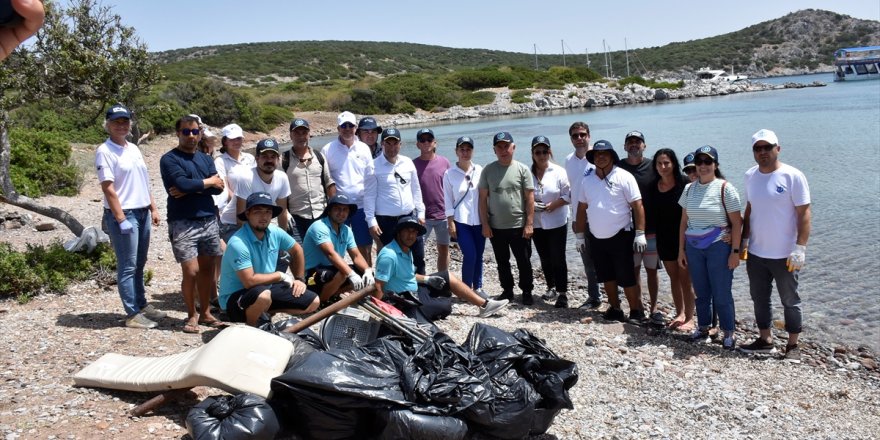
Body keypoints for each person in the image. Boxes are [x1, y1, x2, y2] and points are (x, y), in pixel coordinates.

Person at [739, 129, 811, 361]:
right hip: (757, 253)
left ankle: (792, 346)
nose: (762, 152)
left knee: (790, 299)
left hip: (785, 254)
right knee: (759, 297)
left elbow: (804, 213)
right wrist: (744, 240)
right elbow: (750, 210)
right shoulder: (750, 175)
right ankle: (765, 339)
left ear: (777, 148)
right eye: (757, 148)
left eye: (767, 147)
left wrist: (800, 247)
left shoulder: (793, 176)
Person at [95, 104, 165, 329]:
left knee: (140, 263)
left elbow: (143, 181)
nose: (121, 126)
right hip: (124, 214)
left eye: (125, 121)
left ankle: (142, 304)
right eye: (116, 122)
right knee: (128, 265)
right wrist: (120, 218)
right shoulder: (104, 151)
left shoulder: (133, 148)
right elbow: (108, 188)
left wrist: (153, 208)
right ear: (107, 125)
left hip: (142, 211)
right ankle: (132, 314)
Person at [159, 115, 226, 334]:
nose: (191, 136)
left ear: (200, 133)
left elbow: (220, 188)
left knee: (207, 270)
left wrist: (193, 188)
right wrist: (206, 183)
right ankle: (191, 314)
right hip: (182, 221)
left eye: (195, 132)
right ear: (178, 133)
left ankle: (206, 313)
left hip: (207, 219)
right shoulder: (169, 159)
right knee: (192, 270)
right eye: (186, 132)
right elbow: (180, 184)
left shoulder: (205, 159)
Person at [373, 216, 509, 322]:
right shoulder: (389, 255)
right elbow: (379, 287)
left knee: (446, 276)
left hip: (413, 288)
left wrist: (428, 279)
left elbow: (406, 275)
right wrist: (378, 315)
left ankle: (484, 305)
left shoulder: (406, 249)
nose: (411, 236)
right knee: (446, 306)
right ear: (398, 233)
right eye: (407, 231)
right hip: (403, 300)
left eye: (414, 232)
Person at [677, 145, 743, 350]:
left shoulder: (725, 188)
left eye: (708, 162)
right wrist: (681, 250)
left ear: (715, 165)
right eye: (700, 162)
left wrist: (735, 252)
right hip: (694, 247)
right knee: (701, 292)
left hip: (719, 247)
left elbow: (737, 223)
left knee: (722, 293)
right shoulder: (689, 189)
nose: (703, 166)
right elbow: (683, 222)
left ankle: (728, 332)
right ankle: (703, 327)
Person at [219, 192, 319, 326]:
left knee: (314, 301)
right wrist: (280, 276)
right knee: (263, 296)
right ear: (248, 214)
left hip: (265, 289)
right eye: (258, 211)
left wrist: (300, 279)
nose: (263, 216)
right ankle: (251, 329)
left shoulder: (274, 231)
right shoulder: (238, 243)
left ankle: (264, 311)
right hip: (234, 299)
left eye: (267, 212)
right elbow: (249, 281)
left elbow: (297, 249)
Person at [573, 140, 646, 322]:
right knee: (606, 276)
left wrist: (640, 233)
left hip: (621, 234)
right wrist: (580, 236)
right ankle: (615, 308)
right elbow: (581, 209)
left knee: (627, 276)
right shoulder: (587, 180)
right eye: (597, 154)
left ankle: (636, 311)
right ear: (593, 158)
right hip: (596, 237)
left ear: (612, 156)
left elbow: (638, 206)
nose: (601, 157)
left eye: (605, 153)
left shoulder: (624, 176)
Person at [478, 131, 535, 305]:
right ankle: (507, 290)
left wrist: (529, 224)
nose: (503, 150)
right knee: (502, 262)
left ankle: (526, 291)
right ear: (494, 149)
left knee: (524, 261)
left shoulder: (522, 169)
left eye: (506, 146)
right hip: (496, 226)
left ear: (513, 147)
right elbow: (482, 199)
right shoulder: (488, 170)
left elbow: (530, 198)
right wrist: (485, 224)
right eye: (499, 147)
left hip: (519, 225)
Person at [364, 127, 427, 272]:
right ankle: (394, 291)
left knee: (418, 255)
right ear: (382, 144)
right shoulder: (373, 166)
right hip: (386, 221)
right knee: (391, 256)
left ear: (400, 144)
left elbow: (416, 190)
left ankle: (422, 290)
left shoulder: (407, 163)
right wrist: (371, 221)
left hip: (409, 216)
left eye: (395, 143)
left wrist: (421, 213)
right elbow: (369, 195)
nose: (392, 147)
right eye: (388, 143)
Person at [321, 111, 375, 265]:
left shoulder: (364, 148)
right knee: (337, 246)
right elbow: (326, 179)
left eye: (350, 125)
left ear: (356, 127)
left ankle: (367, 278)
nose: (347, 128)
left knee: (364, 246)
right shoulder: (328, 149)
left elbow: (370, 178)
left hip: (361, 206)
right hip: (339, 208)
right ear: (338, 128)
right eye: (343, 126)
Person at [650, 148, 695, 331]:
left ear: (674, 164)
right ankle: (680, 313)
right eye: (659, 163)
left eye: (666, 163)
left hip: (683, 239)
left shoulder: (684, 184)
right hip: (664, 239)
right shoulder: (654, 186)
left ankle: (690, 318)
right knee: (673, 278)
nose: (663, 166)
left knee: (686, 279)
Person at [618, 131, 661, 323]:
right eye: (630, 142)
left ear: (644, 145)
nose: (634, 145)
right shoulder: (618, 167)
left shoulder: (654, 166)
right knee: (633, 270)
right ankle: (638, 306)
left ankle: (655, 307)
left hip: (651, 229)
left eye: (638, 142)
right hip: (627, 230)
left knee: (652, 270)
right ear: (625, 146)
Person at [301, 194, 374, 305]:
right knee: (344, 273)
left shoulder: (346, 230)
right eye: (337, 209)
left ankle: (332, 295)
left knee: (363, 273)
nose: (341, 213)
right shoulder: (319, 226)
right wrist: (351, 274)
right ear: (329, 211)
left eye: (345, 210)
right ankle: (322, 303)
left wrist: (367, 270)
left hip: (331, 269)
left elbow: (356, 255)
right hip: (311, 274)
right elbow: (330, 253)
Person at [530, 136, 571, 308]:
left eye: (545, 151)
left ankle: (562, 293)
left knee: (558, 258)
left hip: (557, 221)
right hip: (537, 222)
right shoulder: (527, 173)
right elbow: (523, 196)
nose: (542, 155)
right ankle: (550, 286)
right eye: (538, 152)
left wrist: (554, 204)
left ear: (550, 152)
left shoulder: (559, 171)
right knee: (545, 257)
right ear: (532, 154)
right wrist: (532, 204)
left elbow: (569, 194)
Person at [564, 121, 602, 309]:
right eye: (575, 136)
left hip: (601, 217)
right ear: (571, 139)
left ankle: (617, 298)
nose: (579, 139)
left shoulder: (599, 156)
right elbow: (573, 191)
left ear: (589, 136)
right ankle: (594, 297)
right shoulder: (568, 160)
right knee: (588, 261)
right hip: (580, 219)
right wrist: (573, 219)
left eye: (582, 135)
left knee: (608, 259)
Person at [443, 136, 486, 297]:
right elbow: (447, 200)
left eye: (468, 149)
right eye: (462, 149)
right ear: (456, 151)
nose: (465, 152)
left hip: (480, 221)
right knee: (470, 254)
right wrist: (450, 222)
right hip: (461, 221)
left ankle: (478, 287)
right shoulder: (449, 174)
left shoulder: (480, 170)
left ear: (472, 151)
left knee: (479, 255)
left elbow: (485, 196)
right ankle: (466, 289)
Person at [283, 117, 336, 241]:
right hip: (296, 217)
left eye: (304, 133)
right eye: (297, 133)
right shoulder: (283, 160)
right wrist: (284, 213)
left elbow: (329, 183)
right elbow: (279, 190)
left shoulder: (319, 157)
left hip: (321, 214)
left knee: (323, 253)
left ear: (309, 134)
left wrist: (334, 210)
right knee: (300, 255)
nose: (301, 136)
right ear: (290, 135)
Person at [413, 128, 452, 272]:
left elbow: (451, 188)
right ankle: (419, 281)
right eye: (422, 140)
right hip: (423, 217)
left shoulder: (445, 162)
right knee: (417, 250)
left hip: (443, 215)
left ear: (435, 143)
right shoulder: (412, 165)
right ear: (417, 144)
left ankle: (443, 278)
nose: (426, 143)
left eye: (429, 140)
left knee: (444, 249)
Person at [233, 138, 290, 231]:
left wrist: (283, 239)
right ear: (257, 159)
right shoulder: (246, 178)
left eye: (273, 157)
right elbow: (241, 218)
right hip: (234, 224)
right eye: (265, 156)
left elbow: (282, 212)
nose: (269, 160)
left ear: (278, 159)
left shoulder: (282, 177)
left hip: (260, 221)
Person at [215, 123, 256, 242]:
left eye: (238, 138)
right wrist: (242, 202)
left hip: (254, 210)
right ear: (225, 141)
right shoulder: (220, 161)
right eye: (232, 139)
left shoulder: (250, 158)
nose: (236, 141)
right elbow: (225, 188)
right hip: (232, 214)